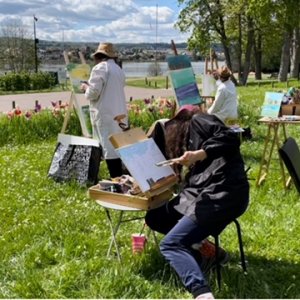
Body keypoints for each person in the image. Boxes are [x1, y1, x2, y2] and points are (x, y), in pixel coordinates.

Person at [145, 107, 249, 299]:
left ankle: (202, 293)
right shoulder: (192, 132)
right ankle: (207, 252)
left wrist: (199, 154)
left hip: (223, 195)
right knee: (156, 217)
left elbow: (231, 137)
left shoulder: (198, 120)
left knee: (171, 245)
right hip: (207, 193)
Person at [81, 42, 128, 178]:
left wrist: (85, 88)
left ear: (98, 56)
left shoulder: (100, 68)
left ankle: (116, 179)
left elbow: (93, 93)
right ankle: (121, 176)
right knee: (118, 145)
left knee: (109, 147)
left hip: (106, 114)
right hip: (119, 112)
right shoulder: (118, 69)